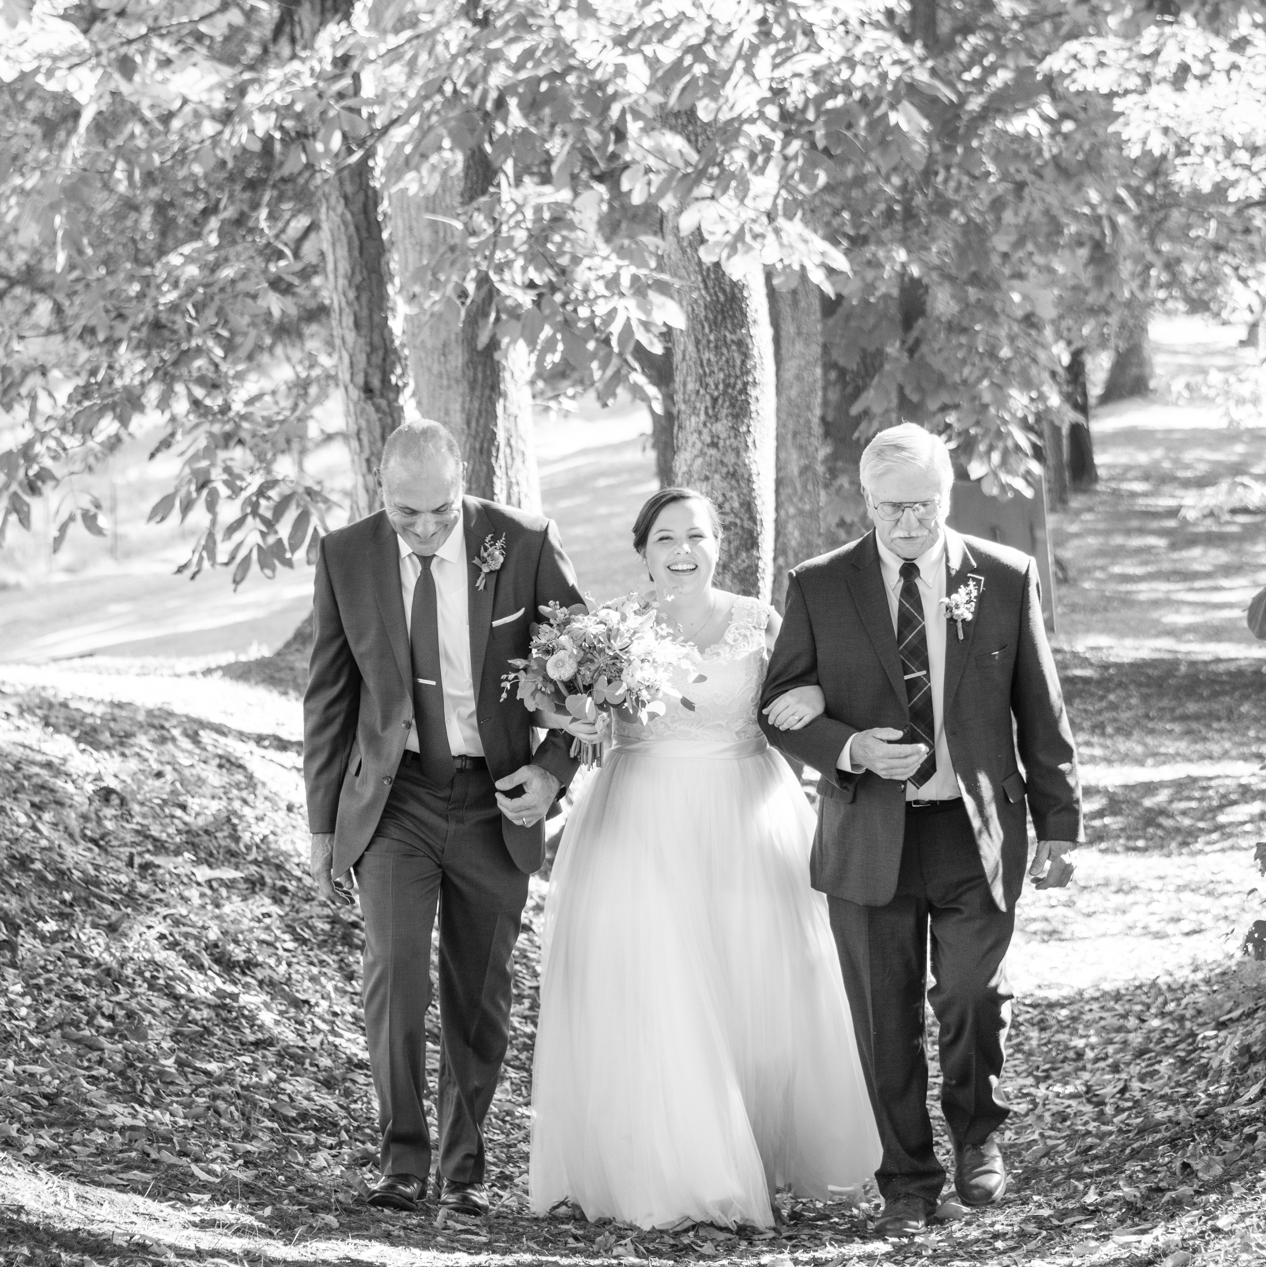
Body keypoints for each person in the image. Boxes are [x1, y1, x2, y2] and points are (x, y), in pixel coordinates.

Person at [760, 423, 1083, 1236]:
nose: (910, 523)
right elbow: (780, 705)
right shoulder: (819, 585)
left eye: (925, 505)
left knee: (973, 992)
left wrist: (1060, 820)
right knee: (884, 1014)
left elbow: (1039, 707)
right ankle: (906, 1176)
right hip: (870, 834)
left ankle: (978, 1134)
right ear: (866, 502)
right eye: (893, 507)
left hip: (975, 828)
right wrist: (849, 747)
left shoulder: (1004, 577)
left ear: (947, 495)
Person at [528, 488, 881, 1230]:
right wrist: (580, 717)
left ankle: (753, 1145)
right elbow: (576, 720)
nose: (682, 550)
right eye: (665, 537)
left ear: (722, 544)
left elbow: (800, 686)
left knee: (750, 984)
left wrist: (814, 693)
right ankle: (679, 1166)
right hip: (639, 818)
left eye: (697, 535)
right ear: (643, 550)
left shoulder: (760, 620)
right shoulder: (611, 631)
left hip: (746, 813)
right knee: (659, 986)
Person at [303, 419, 593, 1217]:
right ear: (380, 492)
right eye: (406, 514)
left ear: (462, 481)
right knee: (396, 976)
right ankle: (401, 1159)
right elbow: (329, 697)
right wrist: (323, 826)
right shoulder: (345, 555)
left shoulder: (523, 541)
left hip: (493, 797)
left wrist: (552, 770)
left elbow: (594, 671)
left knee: (480, 992)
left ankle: (464, 1170)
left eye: (439, 511)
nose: (426, 531)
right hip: (394, 801)